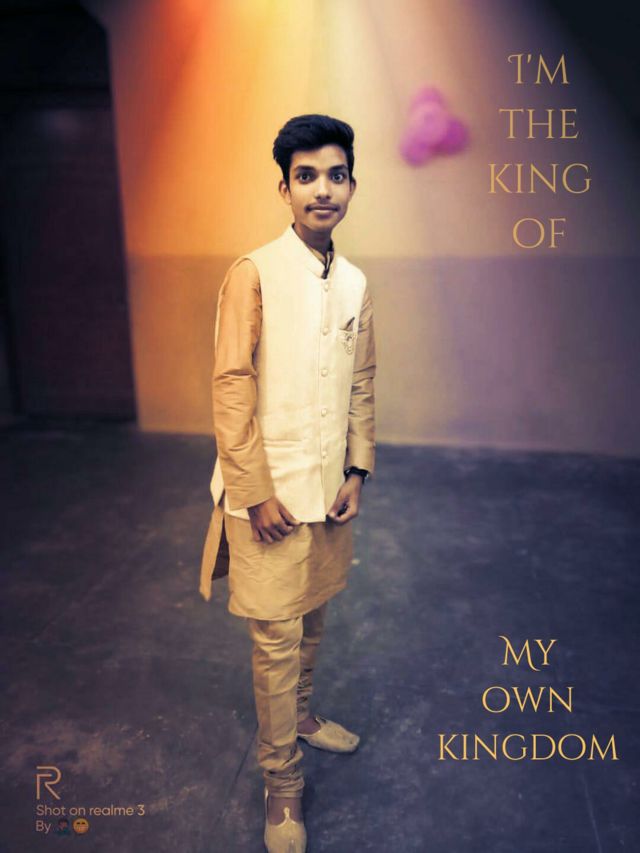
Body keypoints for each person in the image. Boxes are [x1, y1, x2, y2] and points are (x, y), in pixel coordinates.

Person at [199, 113, 376, 853]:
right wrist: (254, 492)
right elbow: (230, 387)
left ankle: (301, 715)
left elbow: (362, 382)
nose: (322, 189)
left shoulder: (356, 282)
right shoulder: (255, 273)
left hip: (328, 494)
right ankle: (281, 784)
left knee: (312, 618)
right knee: (274, 639)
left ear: (352, 186)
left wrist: (357, 469)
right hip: (266, 498)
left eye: (336, 175)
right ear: (285, 189)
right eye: (306, 176)